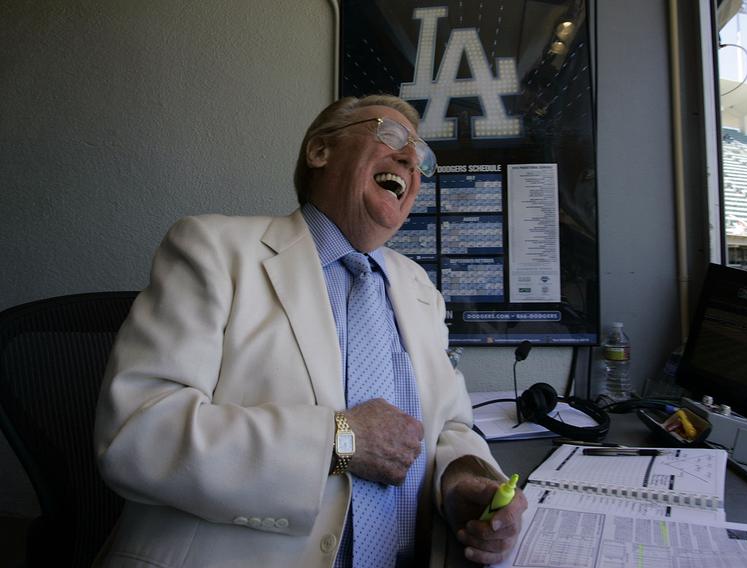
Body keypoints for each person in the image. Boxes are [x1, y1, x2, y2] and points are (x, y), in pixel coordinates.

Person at [93, 94, 527, 567]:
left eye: (421, 156)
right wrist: (340, 440)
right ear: (320, 151)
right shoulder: (213, 249)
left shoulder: (420, 287)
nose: (410, 160)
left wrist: (462, 478)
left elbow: (452, 426)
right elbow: (137, 435)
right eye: (391, 135)